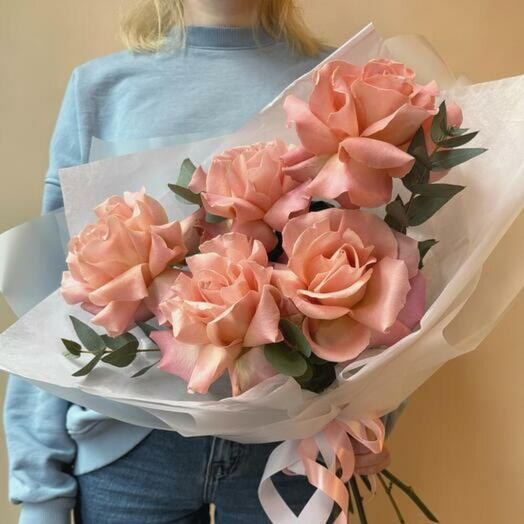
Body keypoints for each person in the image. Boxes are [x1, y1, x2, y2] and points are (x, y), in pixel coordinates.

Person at [3, 1, 404, 522]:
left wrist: (374, 413)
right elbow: (53, 300)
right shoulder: (102, 90)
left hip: (291, 451)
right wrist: (40, 489)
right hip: (128, 447)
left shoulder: (340, 84)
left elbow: (392, 265)